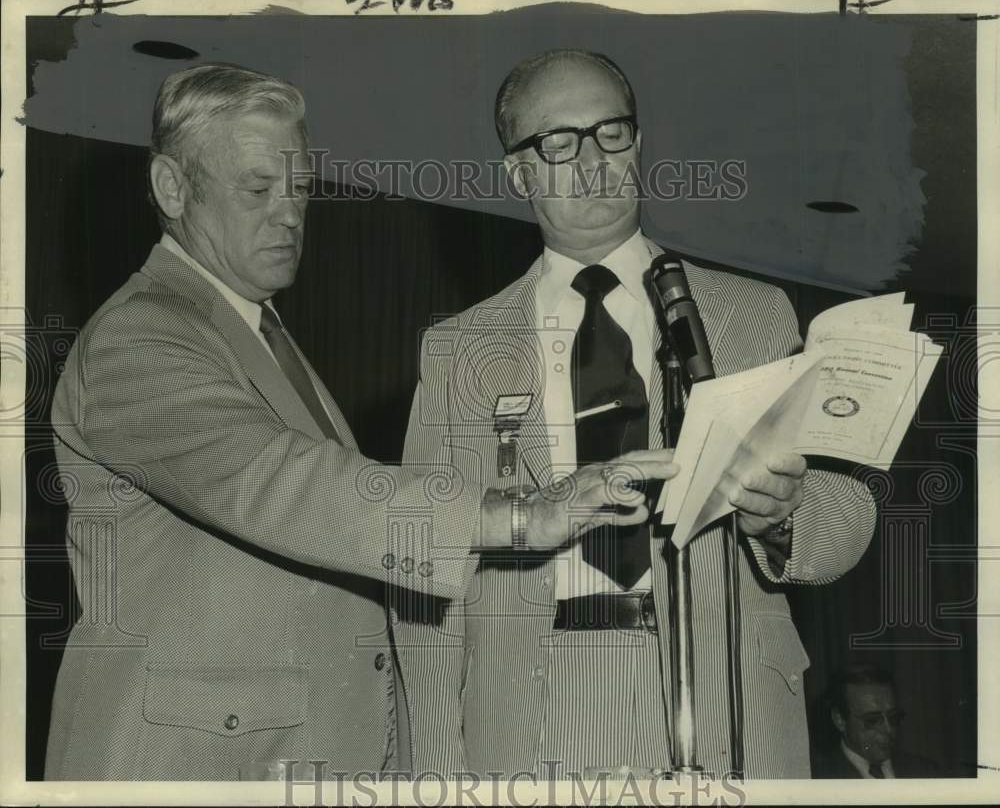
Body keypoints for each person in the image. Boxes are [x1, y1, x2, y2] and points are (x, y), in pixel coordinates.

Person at [43, 62, 677, 781]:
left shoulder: (258, 336)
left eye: (300, 189)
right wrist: (523, 518)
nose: (290, 213)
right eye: (257, 188)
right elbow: (282, 484)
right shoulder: (142, 335)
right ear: (171, 187)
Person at [400, 48, 878, 779]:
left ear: (640, 144)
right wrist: (433, 771)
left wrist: (782, 515)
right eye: (558, 142)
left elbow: (845, 514)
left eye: (610, 132)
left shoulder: (753, 314)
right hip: (533, 717)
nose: (592, 159)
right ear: (518, 172)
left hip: (733, 711)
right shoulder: (458, 350)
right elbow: (422, 576)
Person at [812, 663, 944, 778]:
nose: (888, 730)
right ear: (839, 720)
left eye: (893, 717)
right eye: (872, 720)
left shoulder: (927, 772)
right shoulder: (818, 779)